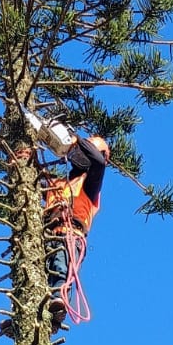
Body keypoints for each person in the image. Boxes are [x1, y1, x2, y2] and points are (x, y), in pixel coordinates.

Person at [45, 132, 110, 326]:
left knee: (60, 267)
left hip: (70, 234)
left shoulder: (91, 183)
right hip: (47, 236)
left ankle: (58, 301)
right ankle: (26, 317)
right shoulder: (58, 183)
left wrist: (76, 141)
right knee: (33, 272)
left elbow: (98, 162)